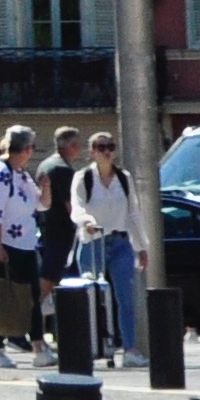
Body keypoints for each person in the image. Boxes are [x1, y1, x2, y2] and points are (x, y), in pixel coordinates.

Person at [69, 133, 144, 362]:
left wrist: (141, 246)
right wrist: (87, 221)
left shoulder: (124, 178)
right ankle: (91, 347)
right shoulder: (83, 178)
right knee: (91, 297)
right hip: (93, 242)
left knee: (126, 299)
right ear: (92, 151)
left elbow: (133, 213)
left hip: (120, 242)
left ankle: (130, 349)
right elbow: (77, 207)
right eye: (101, 147)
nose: (106, 151)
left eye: (110, 146)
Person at [0, 129, 48, 358]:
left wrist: (46, 187)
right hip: (5, 242)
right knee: (4, 295)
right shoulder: (0, 172)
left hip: (24, 243)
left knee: (31, 295)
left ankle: (38, 347)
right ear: (26, 150)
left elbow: (41, 205)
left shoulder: (21, 173)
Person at [36, 125, 86, 288]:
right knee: (51, 276)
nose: (79, 148)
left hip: (46, 229)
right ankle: (34, 310)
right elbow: (70, 205)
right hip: (61, 232)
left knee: (53, 276)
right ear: (71, 146)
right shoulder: (63, 170)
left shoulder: (45, 164)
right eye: (77, 144)